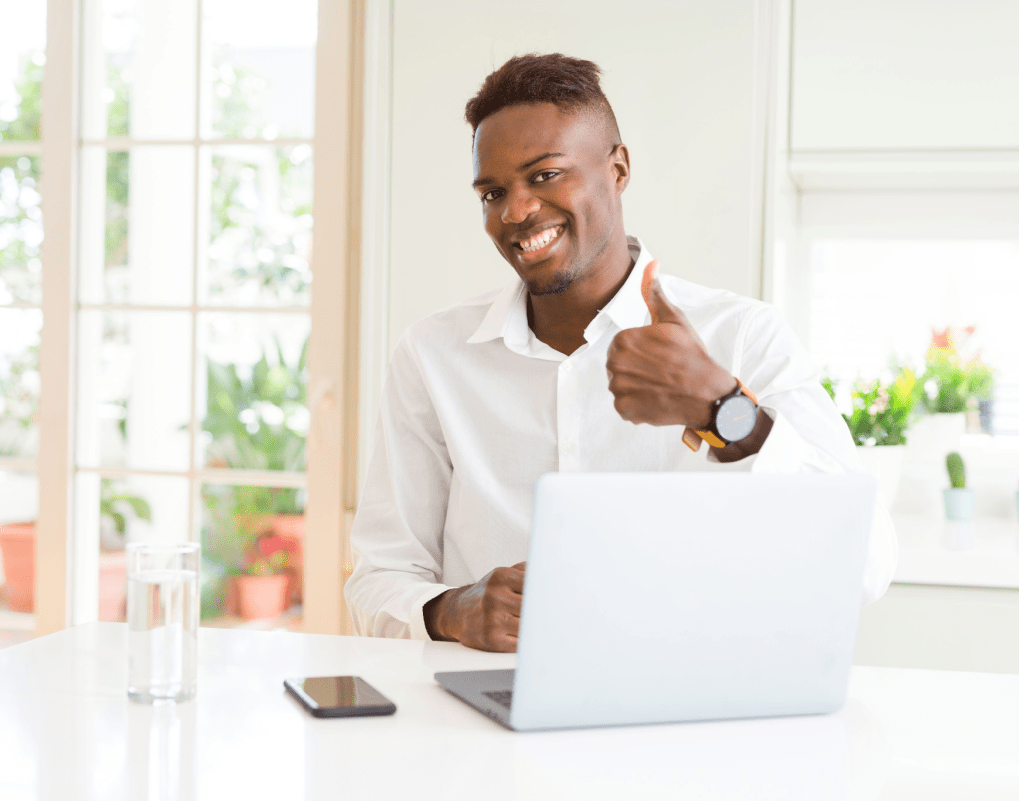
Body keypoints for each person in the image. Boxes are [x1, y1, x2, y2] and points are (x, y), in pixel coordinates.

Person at [345, 53, 896, 652]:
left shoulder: (742, 337)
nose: (515, 211)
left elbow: (864, 564)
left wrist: (725, 410)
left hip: (689, 714)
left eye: (545, 174)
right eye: (492, 192)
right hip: (488, 716)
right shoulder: (433, 357)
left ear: (618, 168)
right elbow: (378, 580)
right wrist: (452, 612)